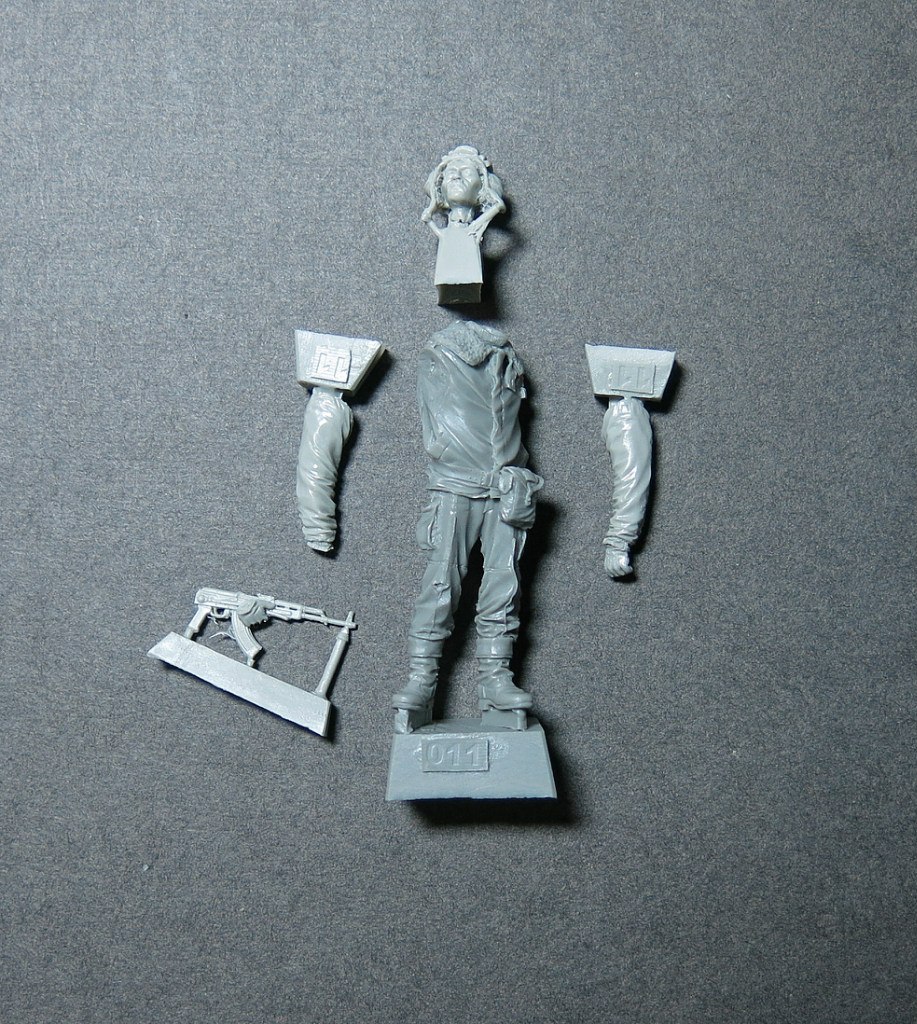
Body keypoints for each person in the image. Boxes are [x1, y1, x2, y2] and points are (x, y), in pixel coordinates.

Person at [392, 320, 543, 718]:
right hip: (456, 485)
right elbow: (435, 421)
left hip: (506, 487)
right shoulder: (442, 354)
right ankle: (422, 677)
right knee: (441, 582)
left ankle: (496, 677)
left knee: (504, 584)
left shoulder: (506, 360)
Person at [422, 146, 505, 303]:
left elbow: (499, 206)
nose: (457, 178)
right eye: (451, 173)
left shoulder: (473, 230)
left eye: (466, 172)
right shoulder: (464, 231)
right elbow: (442, 235)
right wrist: (429, 220)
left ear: (482, 185)